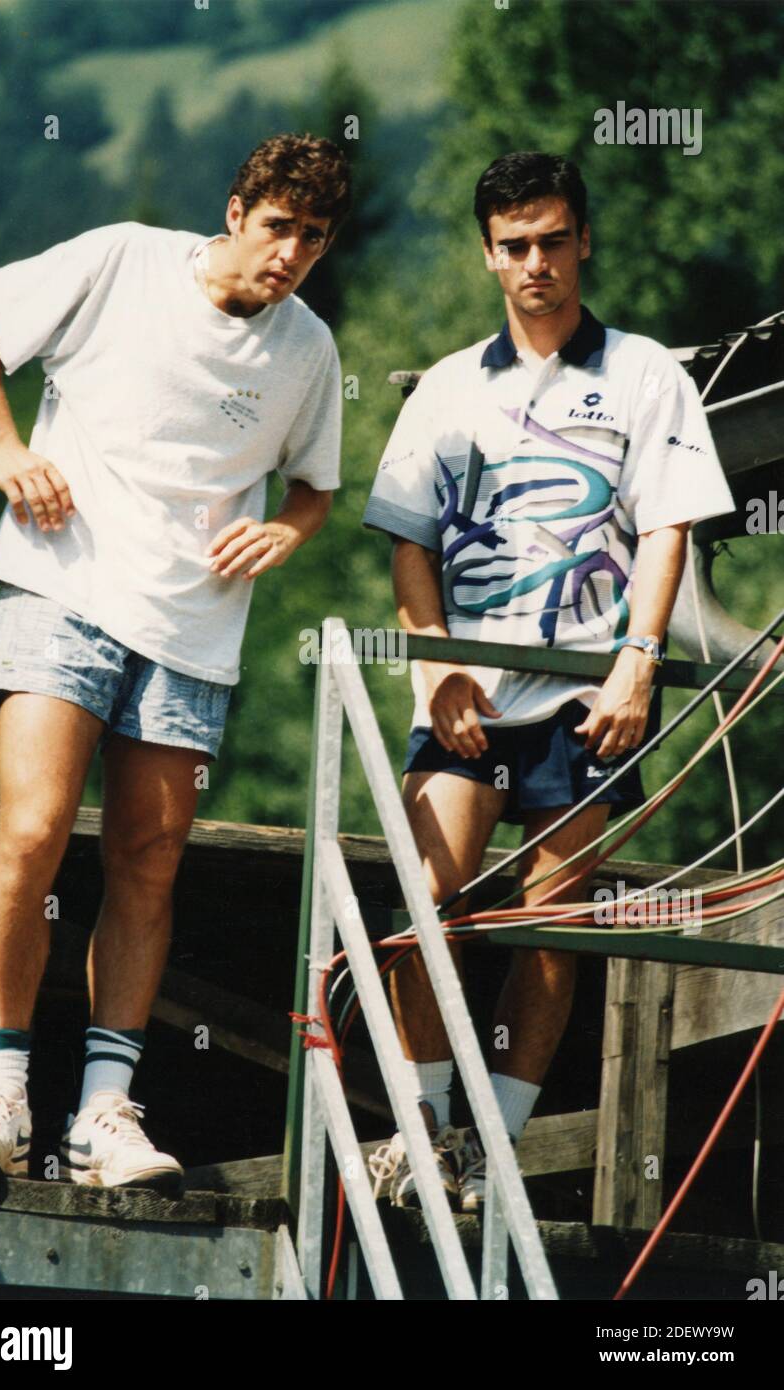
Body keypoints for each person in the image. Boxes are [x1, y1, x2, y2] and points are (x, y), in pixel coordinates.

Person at [0, 133, 351, 1196]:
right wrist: (0, 447)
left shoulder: (308, 348)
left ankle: (103, 1115)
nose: (291, 251)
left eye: (312, 234)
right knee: (29, 829)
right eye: (277, 226)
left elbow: (314, 483)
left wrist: (290, 532)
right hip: (63, 584)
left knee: (149, 861)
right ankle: (0, 1096)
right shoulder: (123, 259)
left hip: (191, 630)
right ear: (233, 212)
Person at [362, 151, 735, 1210]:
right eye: (513, 246)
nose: (536, 263)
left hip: (587, 690)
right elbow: (407, 543)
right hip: (469, 692)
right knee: (424, 900)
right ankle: (421, 1130)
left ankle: (495, 1147)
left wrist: (637, 662)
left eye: (553, 240)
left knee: (553, 919)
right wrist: (432, 662)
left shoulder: (643, 372)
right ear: (487, 255)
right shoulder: (444, 384)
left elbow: (664, 527)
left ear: (583, 241)